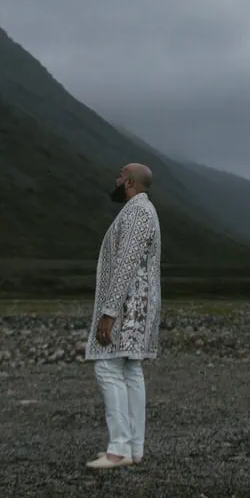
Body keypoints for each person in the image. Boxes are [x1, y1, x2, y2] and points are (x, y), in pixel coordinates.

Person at [83, 162, 162, 470]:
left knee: (107, 367)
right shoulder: (140, 211)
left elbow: (127, 263)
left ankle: (118, 449)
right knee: (130, 369)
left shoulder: (138, 213)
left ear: (129, 181)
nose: (115, 180)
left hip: (129, 307)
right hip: (137, 306)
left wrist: (109, 313)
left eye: (119, 175)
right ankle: (134, 449)